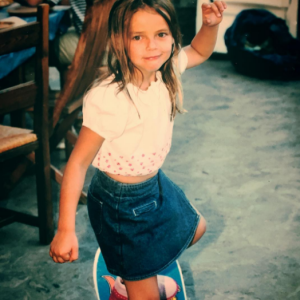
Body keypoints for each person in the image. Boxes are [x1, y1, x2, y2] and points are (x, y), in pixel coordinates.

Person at [49, 0, 227, 299]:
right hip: (120, 203)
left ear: (173, 36)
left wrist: (210, 25)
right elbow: (78, 164)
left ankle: (132, 271)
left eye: (161, 34)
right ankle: (127, 285)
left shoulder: (165, 71)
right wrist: (66, 229)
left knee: (195, 229)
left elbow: (199, 51)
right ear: (120, 40)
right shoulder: (110, 98)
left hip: (154, 184)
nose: (151, 45)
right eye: (137, 37)